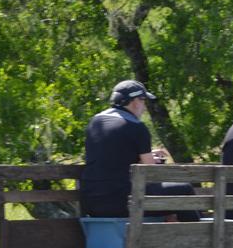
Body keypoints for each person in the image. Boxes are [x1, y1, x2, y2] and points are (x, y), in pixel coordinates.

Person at [80, 79, 198, 221]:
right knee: (184, 189)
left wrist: (145, 156)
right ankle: (200, 238)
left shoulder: (95, 122)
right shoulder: (136, 126)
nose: (144, 107)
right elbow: (151, 173)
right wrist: (153, 160)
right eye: (143, 101)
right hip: (124, 204)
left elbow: (113, 158)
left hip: (91, 202)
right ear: (135, 101)